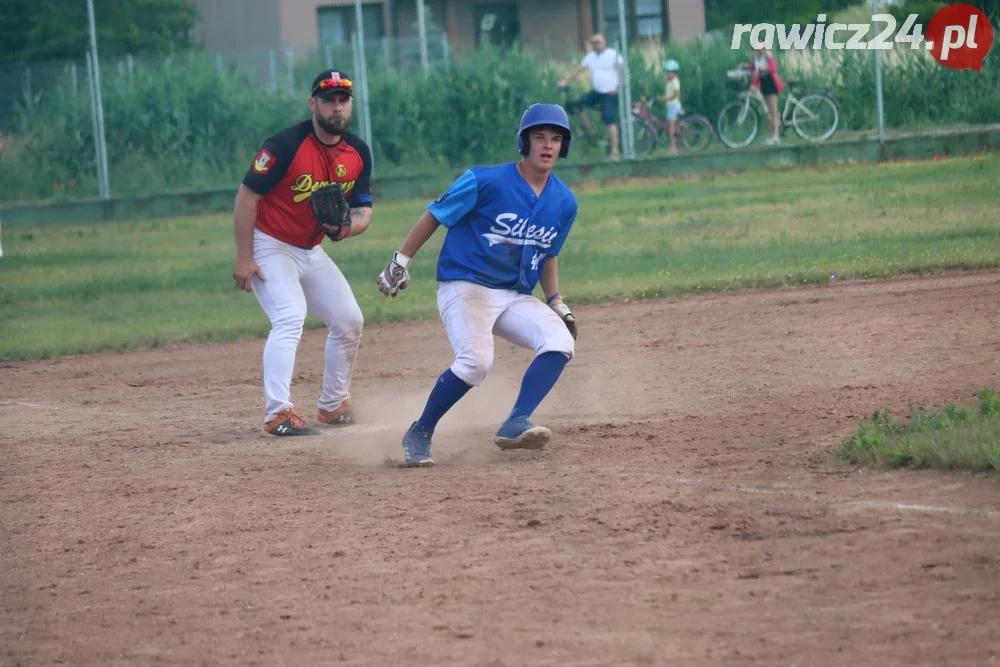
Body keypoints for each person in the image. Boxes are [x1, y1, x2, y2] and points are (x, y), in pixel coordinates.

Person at [374, 104, 580, 467]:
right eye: (539, 137)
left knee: (559, 341)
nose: (547, 145)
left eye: (556, 139)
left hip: (514, 294)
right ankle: (420, 430)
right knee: (475, 362)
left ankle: (516, 422)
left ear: (563, 147)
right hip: (465, 285)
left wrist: (556, 300)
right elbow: (434, 215)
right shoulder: (484, 181)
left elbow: (549, 253)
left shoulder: (564, 202)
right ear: (524, 142)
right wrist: (400, 261)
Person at [231, 69, 373, 437]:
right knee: (290, 317)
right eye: (329, 100)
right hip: (271, 243)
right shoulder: (284, 146)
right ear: (314, 104)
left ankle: (333, 405)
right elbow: (247, 197)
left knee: (349, 320)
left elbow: (363, 212)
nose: (336, 107)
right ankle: (277, 414)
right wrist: (245, 257)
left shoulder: (357, 152)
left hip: (310, 249)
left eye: (343, 100)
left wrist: (347, 227)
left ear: (350, 105)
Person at [556, 33, 625, 160]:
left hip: (610, 93)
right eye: (593, 43)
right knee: (577, 105)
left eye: (598, 42)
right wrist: (565, 81)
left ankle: (615, 151)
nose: (596, 45)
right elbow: (579, 70)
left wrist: (619, 86)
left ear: (604, 43)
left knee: (609, 120)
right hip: (597, 92)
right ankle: (589, 130)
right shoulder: (591, 57)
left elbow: (622, 69)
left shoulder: (612, 54)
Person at [748, 46, 784, 145]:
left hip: (770, 82)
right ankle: (770, 136)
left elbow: (773, 67)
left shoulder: (767, 54)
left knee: (773, 111)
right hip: (763, 83)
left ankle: (776, 136)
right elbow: (752, 67)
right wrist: (745, 66)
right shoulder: (755, 56)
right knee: (767, 111)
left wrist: (760, 69)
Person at [660, 58, 683, 154]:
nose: (668, 74)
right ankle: (676, 146)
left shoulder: (675, 82)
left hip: (673, 105)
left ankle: (673, 147)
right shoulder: (670, 81)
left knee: (672, 127)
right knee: (675, 126)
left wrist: (665, 99)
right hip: (671, 105)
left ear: (675, 73)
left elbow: (676, 94)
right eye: (667, 72)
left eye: (670, 72)